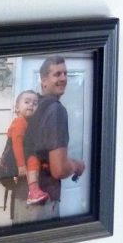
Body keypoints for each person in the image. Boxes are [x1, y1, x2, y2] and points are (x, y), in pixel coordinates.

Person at [13, 55, 85, 223]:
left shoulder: (33, 109)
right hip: (41, 204)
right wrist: (77, 165)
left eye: (65, 74)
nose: (64, 78)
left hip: (21, 198)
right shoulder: (55, 110)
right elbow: (58, 169)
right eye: (57, 74)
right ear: (44, 80)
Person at [5, 89, 49, 206]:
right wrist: (21, 165)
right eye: (27, 102)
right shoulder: (20, 122)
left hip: (20, 161)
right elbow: (17, 144)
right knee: (33, 157)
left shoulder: (28, 124)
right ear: (17, 108)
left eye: (35, 103)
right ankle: (33, 191)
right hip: (15, 162)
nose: (31, 105)